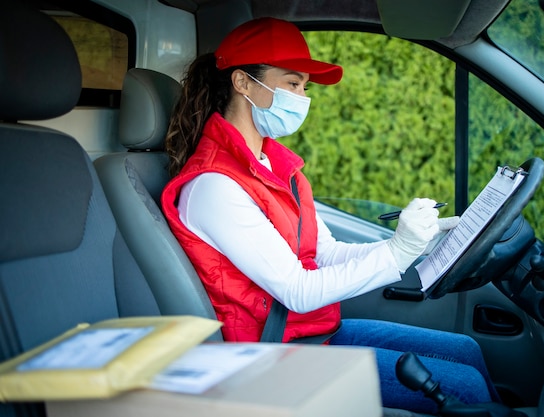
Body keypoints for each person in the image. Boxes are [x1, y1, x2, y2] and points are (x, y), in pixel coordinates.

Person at [161, 17, 499, 414]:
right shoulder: (214, 186)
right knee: (468, 389)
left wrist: (406, 244)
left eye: (305, 87)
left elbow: (324, 253)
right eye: (291, 83)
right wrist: (396, 255)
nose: (302, 97)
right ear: (243, 83)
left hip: (306, 336)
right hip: (268, 359)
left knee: (467, 350)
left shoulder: (276, 167)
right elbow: (298, 291)